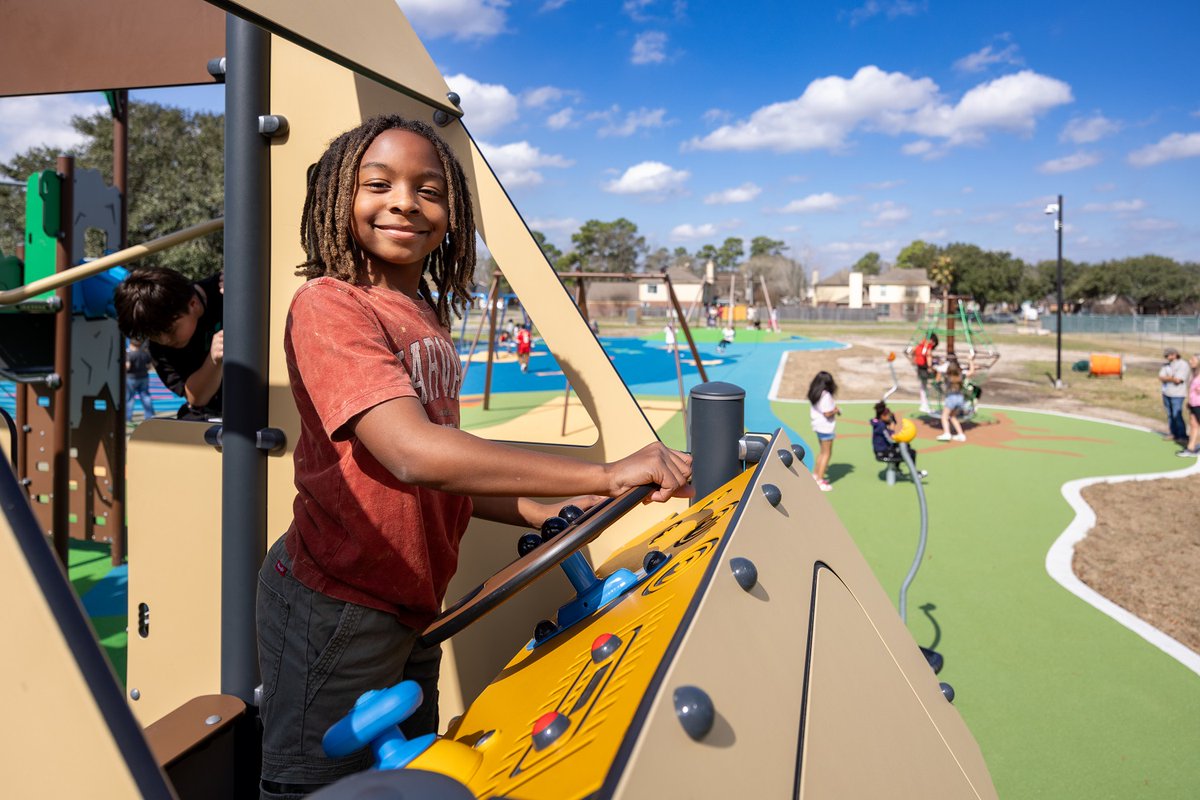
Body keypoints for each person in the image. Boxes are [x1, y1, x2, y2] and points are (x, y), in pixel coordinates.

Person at [256, 115, 693, 798]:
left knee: (409, 780)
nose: (405, 201)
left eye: (429, 190)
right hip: (335, 603)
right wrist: (606, 472)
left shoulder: (420, 311)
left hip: (411, 600)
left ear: (451, 215)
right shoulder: (329, 305)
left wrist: (546, 504)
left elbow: (442, 482)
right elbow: (411, 455)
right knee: (317, 786)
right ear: (337, 199)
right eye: (379, 184)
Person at [114, 266, 224, 420]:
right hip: (215, 410)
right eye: (153, 335)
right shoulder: (158, 351)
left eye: (170, 330)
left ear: (193, 304)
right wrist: (213, 360)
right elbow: (196, 399)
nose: (164, 340)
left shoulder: (224, 289)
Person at [870, 401, 927, 478]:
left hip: (882, 448)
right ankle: (913, 473)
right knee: (911, 452)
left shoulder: (878, 423)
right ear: (883, 416)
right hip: (882, 451)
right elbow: (890, 439)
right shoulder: (881, 426)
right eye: (888, 416)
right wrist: (892, 428)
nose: (890, 418)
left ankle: (897, 469)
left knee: (905, 446)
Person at [807, 371, 840, 491]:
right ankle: (820, 480)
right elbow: (827, 413)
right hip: (826, 427)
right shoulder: (826, 395)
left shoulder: (815, 393)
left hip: (817, 425)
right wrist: (836, 410)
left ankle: (816, 475)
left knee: (821, 452)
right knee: (827, 453)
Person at [936, 357, 976, 442]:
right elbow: (972, 371)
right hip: (960, 398)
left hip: (951, 398)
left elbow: (937, 379)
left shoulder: (947, 377)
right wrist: (970, 361)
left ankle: (947, 433)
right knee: (953, 417)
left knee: (944, 417)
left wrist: (939, 367)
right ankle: (961, 434)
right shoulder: (961, 376)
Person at [1159, 347, 1190, 446]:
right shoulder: (1166, 365)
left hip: (1177, 394)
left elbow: (1178, 380)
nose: (1167, 357)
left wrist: (1167, 378)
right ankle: (1173, 433)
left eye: (1168, 355)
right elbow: (1161, 377)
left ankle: (1182, 436)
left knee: (1177, 415)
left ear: (1174, 354)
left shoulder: (1183, 364)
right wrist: (1171, 378)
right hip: (1166, 393)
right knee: (1170, 415)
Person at [124, 339, 156, 423]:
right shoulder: (145, 354)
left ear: (131, 344)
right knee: (146, 397)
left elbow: (127, 366)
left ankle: (127, 418)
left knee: (130, 398)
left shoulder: (129, 354)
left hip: (131, 378)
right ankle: (150, 416)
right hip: (144, 377)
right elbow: (149, 366)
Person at [909, 332, 938, 413]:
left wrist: (913, 360)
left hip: (919, 367)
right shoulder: (927, 346)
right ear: (932, 340)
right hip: (924, 368)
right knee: (926, 386)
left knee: (923, 386)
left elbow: (913, 351)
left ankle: (924, 404)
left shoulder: (921, 344)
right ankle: (925, 405)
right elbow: (928, 356)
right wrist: (930, 367)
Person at [1178, 353, 1200, 457]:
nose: (1190, 361)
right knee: (1193, 425)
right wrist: (1189, 401)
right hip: (1193, 404)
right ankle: (1190, 448)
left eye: (1193, 360)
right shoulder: (1194, 373)